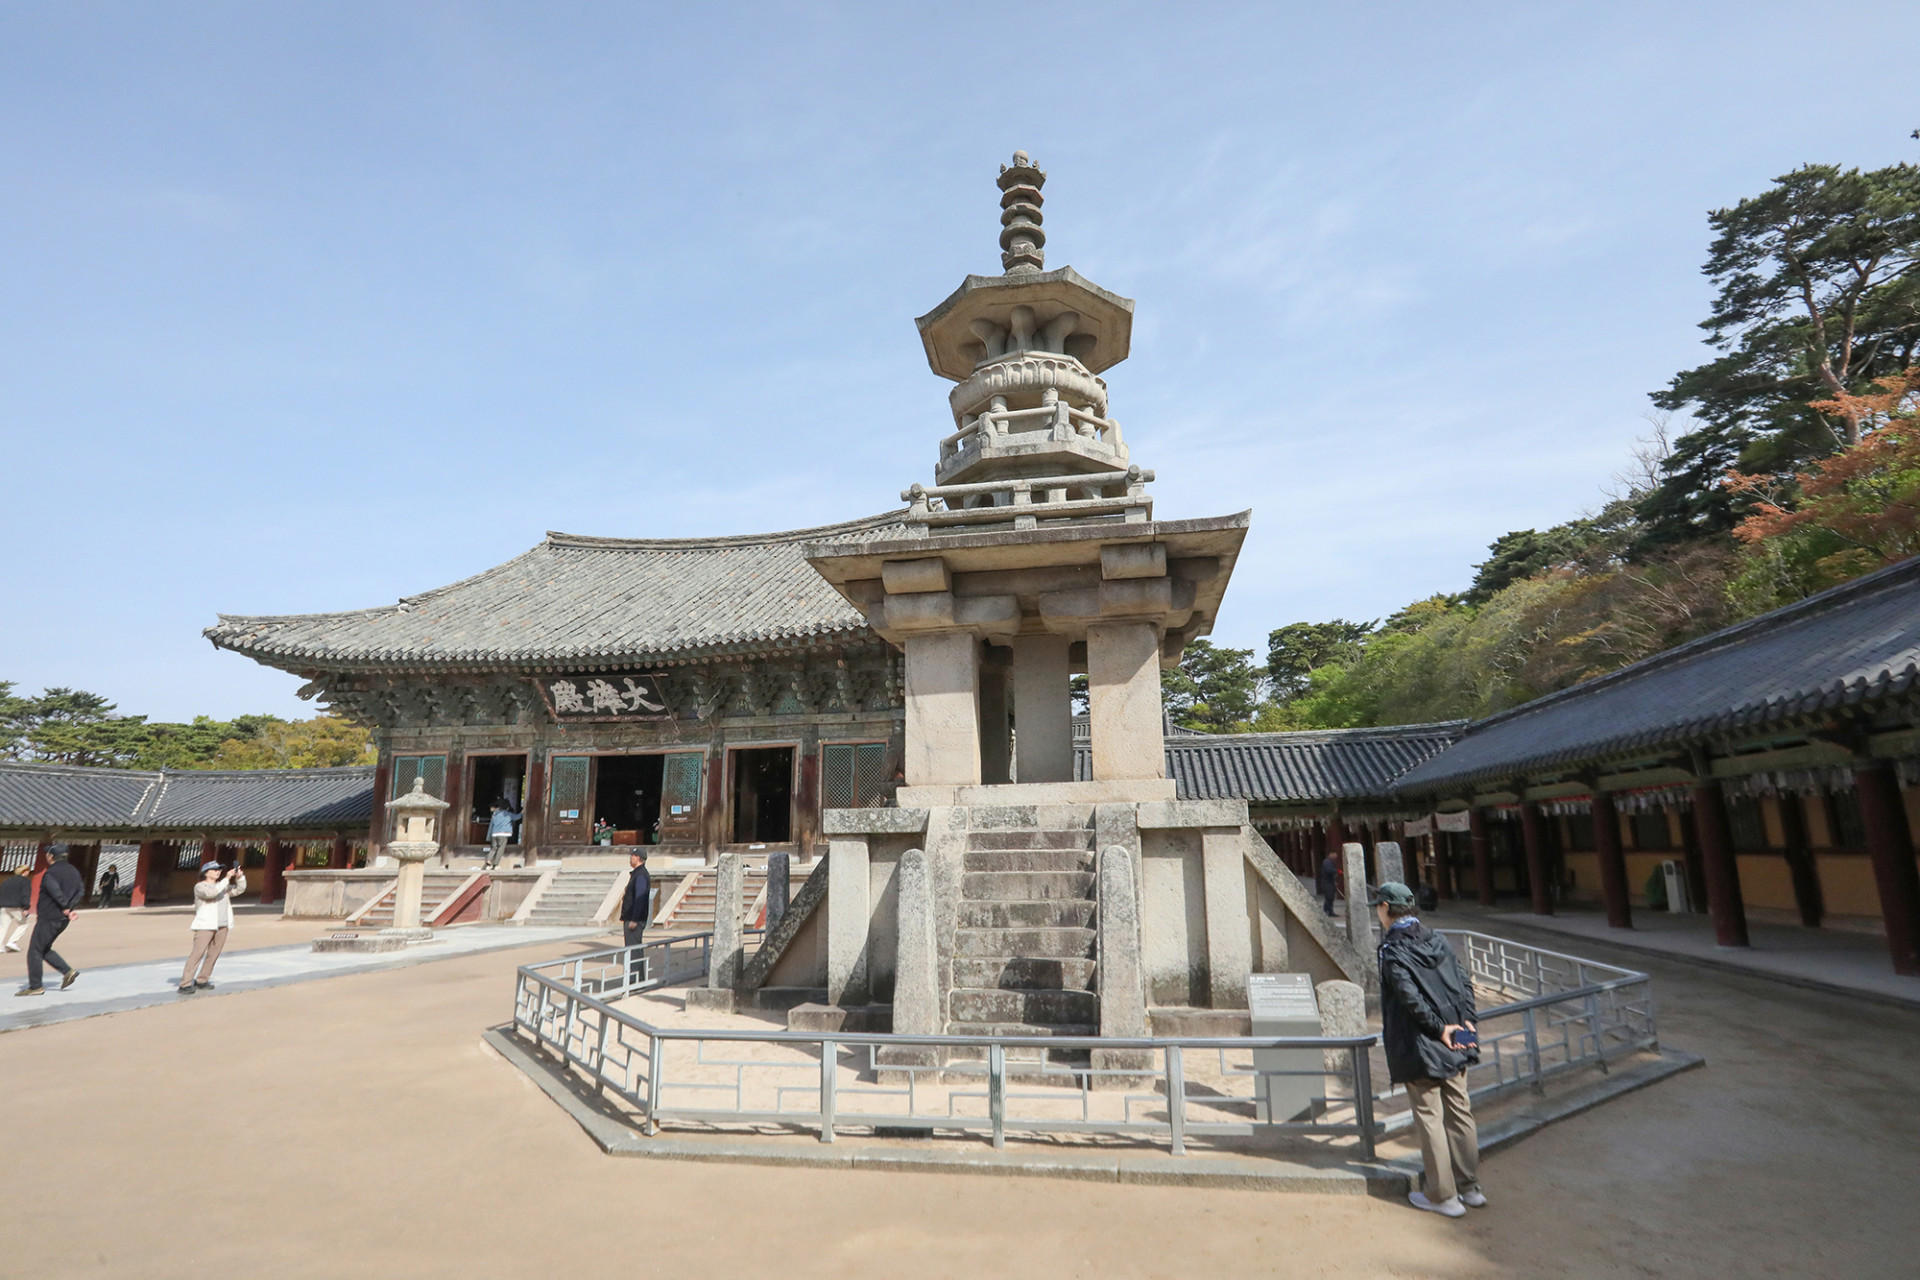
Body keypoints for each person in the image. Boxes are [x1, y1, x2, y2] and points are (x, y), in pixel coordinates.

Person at [1372, 881, 1484, 1217]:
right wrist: (1466, 1021)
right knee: (1460, 1112)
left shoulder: (1392, 950)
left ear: (1385, 908)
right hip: (1457, 1037)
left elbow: (1409, 998)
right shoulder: (1438, 938)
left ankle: (1442, 1195)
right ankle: (1470, 1188)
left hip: (1422, 1043)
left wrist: (1438, 1029)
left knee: (1430, 1118)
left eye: (1378, 907)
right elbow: (1464, 982)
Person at [18, 844, 83, 996]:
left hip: (49, 916)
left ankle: (36, 986)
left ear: (51, 856)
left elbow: (55, 891)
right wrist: (69, 908)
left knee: (34, 951)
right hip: (63, 918)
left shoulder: (51, 872)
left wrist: (65, 907)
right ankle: (68, 972)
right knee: (43, 948)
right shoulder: (74, 871)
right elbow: (80, 891)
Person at [179, 860, 244, 994]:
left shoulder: (223, 886)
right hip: (206, 925)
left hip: (222, 924)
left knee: (213, 954)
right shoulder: (200, 886)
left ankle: (202, 980)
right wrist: (226, 878)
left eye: (219, 870)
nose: (217, 872)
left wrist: (240, 878)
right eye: (214, 870)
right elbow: (211, 894)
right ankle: (185, 983)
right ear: (205, 872)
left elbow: (239, 889)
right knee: (197, 954)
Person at [619, 850, 652, 984]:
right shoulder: (637, 874)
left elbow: (639, 898)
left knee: (633, 950)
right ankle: (637, 979)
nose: (630, 858)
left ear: (637, 857)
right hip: (632, 916)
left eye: (632, 856)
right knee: (633, 949)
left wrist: (634, 919)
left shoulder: (641, 875)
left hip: (635, 919)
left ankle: (635, 980)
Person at [1, 866, 32, 952]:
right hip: (16, 907)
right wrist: (26, 907)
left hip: (3, 906)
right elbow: (26, 894)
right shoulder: (25, 881)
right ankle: (12, 941)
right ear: (25, 872)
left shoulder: (6, 881)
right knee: (24, 924)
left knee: (3, 926)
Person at [485, 800, 517, 869]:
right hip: (503, 834)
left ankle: (488, 860)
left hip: (494, 834)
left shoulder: (494, 815)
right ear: (507, 808)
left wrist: (488, 836)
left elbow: (491, 826)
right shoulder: (508, 814)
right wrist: (522, 813)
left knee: (493, 848)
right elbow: (516, 817)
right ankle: (496, 864)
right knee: (500, 849)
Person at [1318, 849, 1340, 917]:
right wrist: (1337, 871)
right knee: (1329, 897)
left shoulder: (1330, 862)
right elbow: (1329, 870)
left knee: (1331, 897)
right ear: (1331, 854)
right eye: (1335, 854)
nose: (1336, 856)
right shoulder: (1327, 862)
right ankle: (1325, 911)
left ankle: (1330, 911)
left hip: (1330, 881)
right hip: (1327, 882)